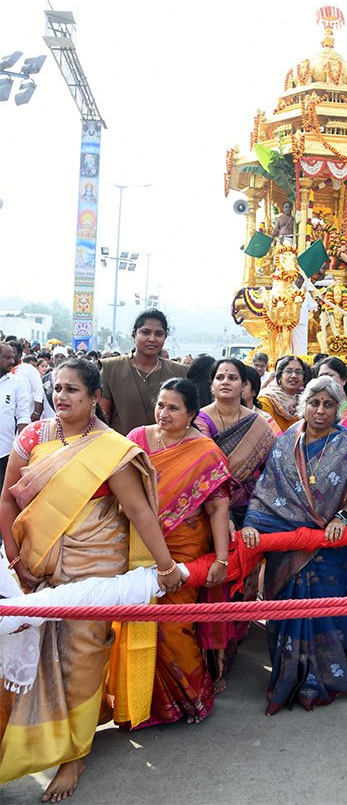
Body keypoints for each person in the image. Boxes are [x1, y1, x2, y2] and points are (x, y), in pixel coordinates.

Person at [0, 358, 182, 799]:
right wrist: (13, 559)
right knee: (26, 650)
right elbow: (6, 500)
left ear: (96, 397)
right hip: (33, 563)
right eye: (56, 388)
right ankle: (23, 743)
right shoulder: (32, 437)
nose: (61, 396)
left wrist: (166, 567)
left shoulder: (111, 449)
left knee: (80, 659)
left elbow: (139, 512)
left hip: (94, 567)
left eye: (72, 390)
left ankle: (74, 754)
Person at [241, 376, 347, 715]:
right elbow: (267, 489)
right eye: (315, 403)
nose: (321, 410)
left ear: (337, 408)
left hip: (329, 548)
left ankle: (328, 678)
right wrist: (253, 522)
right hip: (287, 544)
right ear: (304, 404)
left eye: (329, 404)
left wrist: (341, 516)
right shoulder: (286, 442)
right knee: (286, 614)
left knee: (328, 612)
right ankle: (285, 680)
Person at [115, 377, 231, 728]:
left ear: (193, 413)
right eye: (160, 405)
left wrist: (222, 559)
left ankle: (194, 698)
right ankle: (141, 705)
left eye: (173, 408)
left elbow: (218, 510)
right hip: (137, 545)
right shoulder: (136, 438)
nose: (163, 413)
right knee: (135, 624)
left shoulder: (205, 451)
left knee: (172, 625)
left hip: (184, 547)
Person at [194, 359, 279, 686]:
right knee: (215, 584)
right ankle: (216, 661)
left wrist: (256, 512)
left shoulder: (259, 424)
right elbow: (206, 468)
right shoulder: (200, 419)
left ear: (245, 385)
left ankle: (237, 637)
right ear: (212, 384)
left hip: (252, 512)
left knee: (247, 583)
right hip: (209, 512)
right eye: (220, 377)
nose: (226, 382)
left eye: (233, 377)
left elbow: (272, 471)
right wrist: (223, 513)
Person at [100, 310, 188, 435]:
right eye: (146, 332)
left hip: (166, 449)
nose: (152, 339)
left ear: (164, 338)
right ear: (134, 335)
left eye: (158, 334)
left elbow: (185, 418)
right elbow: (103, 418)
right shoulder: (111, 368)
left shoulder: (179, 371)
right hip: (122, 449)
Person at [0, 343, 29, 491]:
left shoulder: (16, 383)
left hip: (5, 452)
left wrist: (19, 448)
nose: (12, 361)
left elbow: (23, 415)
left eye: (12, 357)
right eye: (7, 358)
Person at [257, 355, 307, 432]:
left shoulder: (305, 401)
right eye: (288, 371)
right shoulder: (266, 400)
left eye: (298, 372)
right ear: (279, 377)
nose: (294, 376)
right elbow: (267, 434)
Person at [8, 339, 43, 422]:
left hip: (26, 415)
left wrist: (37, 412)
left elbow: (38, 391)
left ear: (20, 355)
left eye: (13, 353)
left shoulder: (29, 369)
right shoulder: (3, 370)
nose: (9, 356)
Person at [242, 365, 282, 435]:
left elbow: (278, 443)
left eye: (244, 385)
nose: (237, 387)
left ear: (254, 391)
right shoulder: (225, 416)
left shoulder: (264, 419)